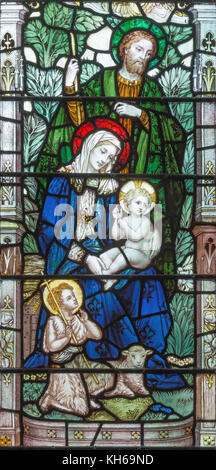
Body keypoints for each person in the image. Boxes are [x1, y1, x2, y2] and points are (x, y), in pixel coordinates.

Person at [26, 119, 186, 392]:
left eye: (112, 157)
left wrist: (119, 264)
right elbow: (48, 230)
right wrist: (80, 254)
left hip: (108, 257)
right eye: (103, 152)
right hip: (70, 260)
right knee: (96, 289)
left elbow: (119, 234)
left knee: (148, 278)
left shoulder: (110, 187)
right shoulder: (63, 180)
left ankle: (152, 356)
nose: (106, 160)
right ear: (89, 147)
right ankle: (128, 362)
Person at [36, 20, 185, 294]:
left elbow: (174, 133)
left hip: (139, 181)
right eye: (139, 50)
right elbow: (80, 122)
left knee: (139, 253)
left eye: (149, 53)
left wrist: (141, 114)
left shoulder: (152, 92)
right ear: (124, 49)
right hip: (101, 176)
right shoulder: (101, 82)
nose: (144, 57)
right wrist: (70, 87)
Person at [39, 280, 102, 415]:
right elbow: (50, 346)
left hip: (80, 364)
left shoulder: (78, 318)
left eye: (73, 295)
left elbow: (97, 336)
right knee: (83, 411)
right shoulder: (54, 321)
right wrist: (66, 338)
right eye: (69, 298)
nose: (74, 299)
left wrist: (86, 321)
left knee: (107, 375)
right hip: (63, 367)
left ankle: (88, 395)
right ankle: (51, 400)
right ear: (59, 303)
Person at [88, 181, 161, 291]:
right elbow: (116, 237)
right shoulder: (125, 219)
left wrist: (123, 225)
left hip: (142, 257)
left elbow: (136, 237)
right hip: (128, 250)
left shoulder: (146, 222)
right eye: (138, 203)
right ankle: (110, 278)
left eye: (145, 204)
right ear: (128, 203)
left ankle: (107, 273)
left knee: (127, 253)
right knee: (105, 255)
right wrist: (116, 219)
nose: (141, 207)